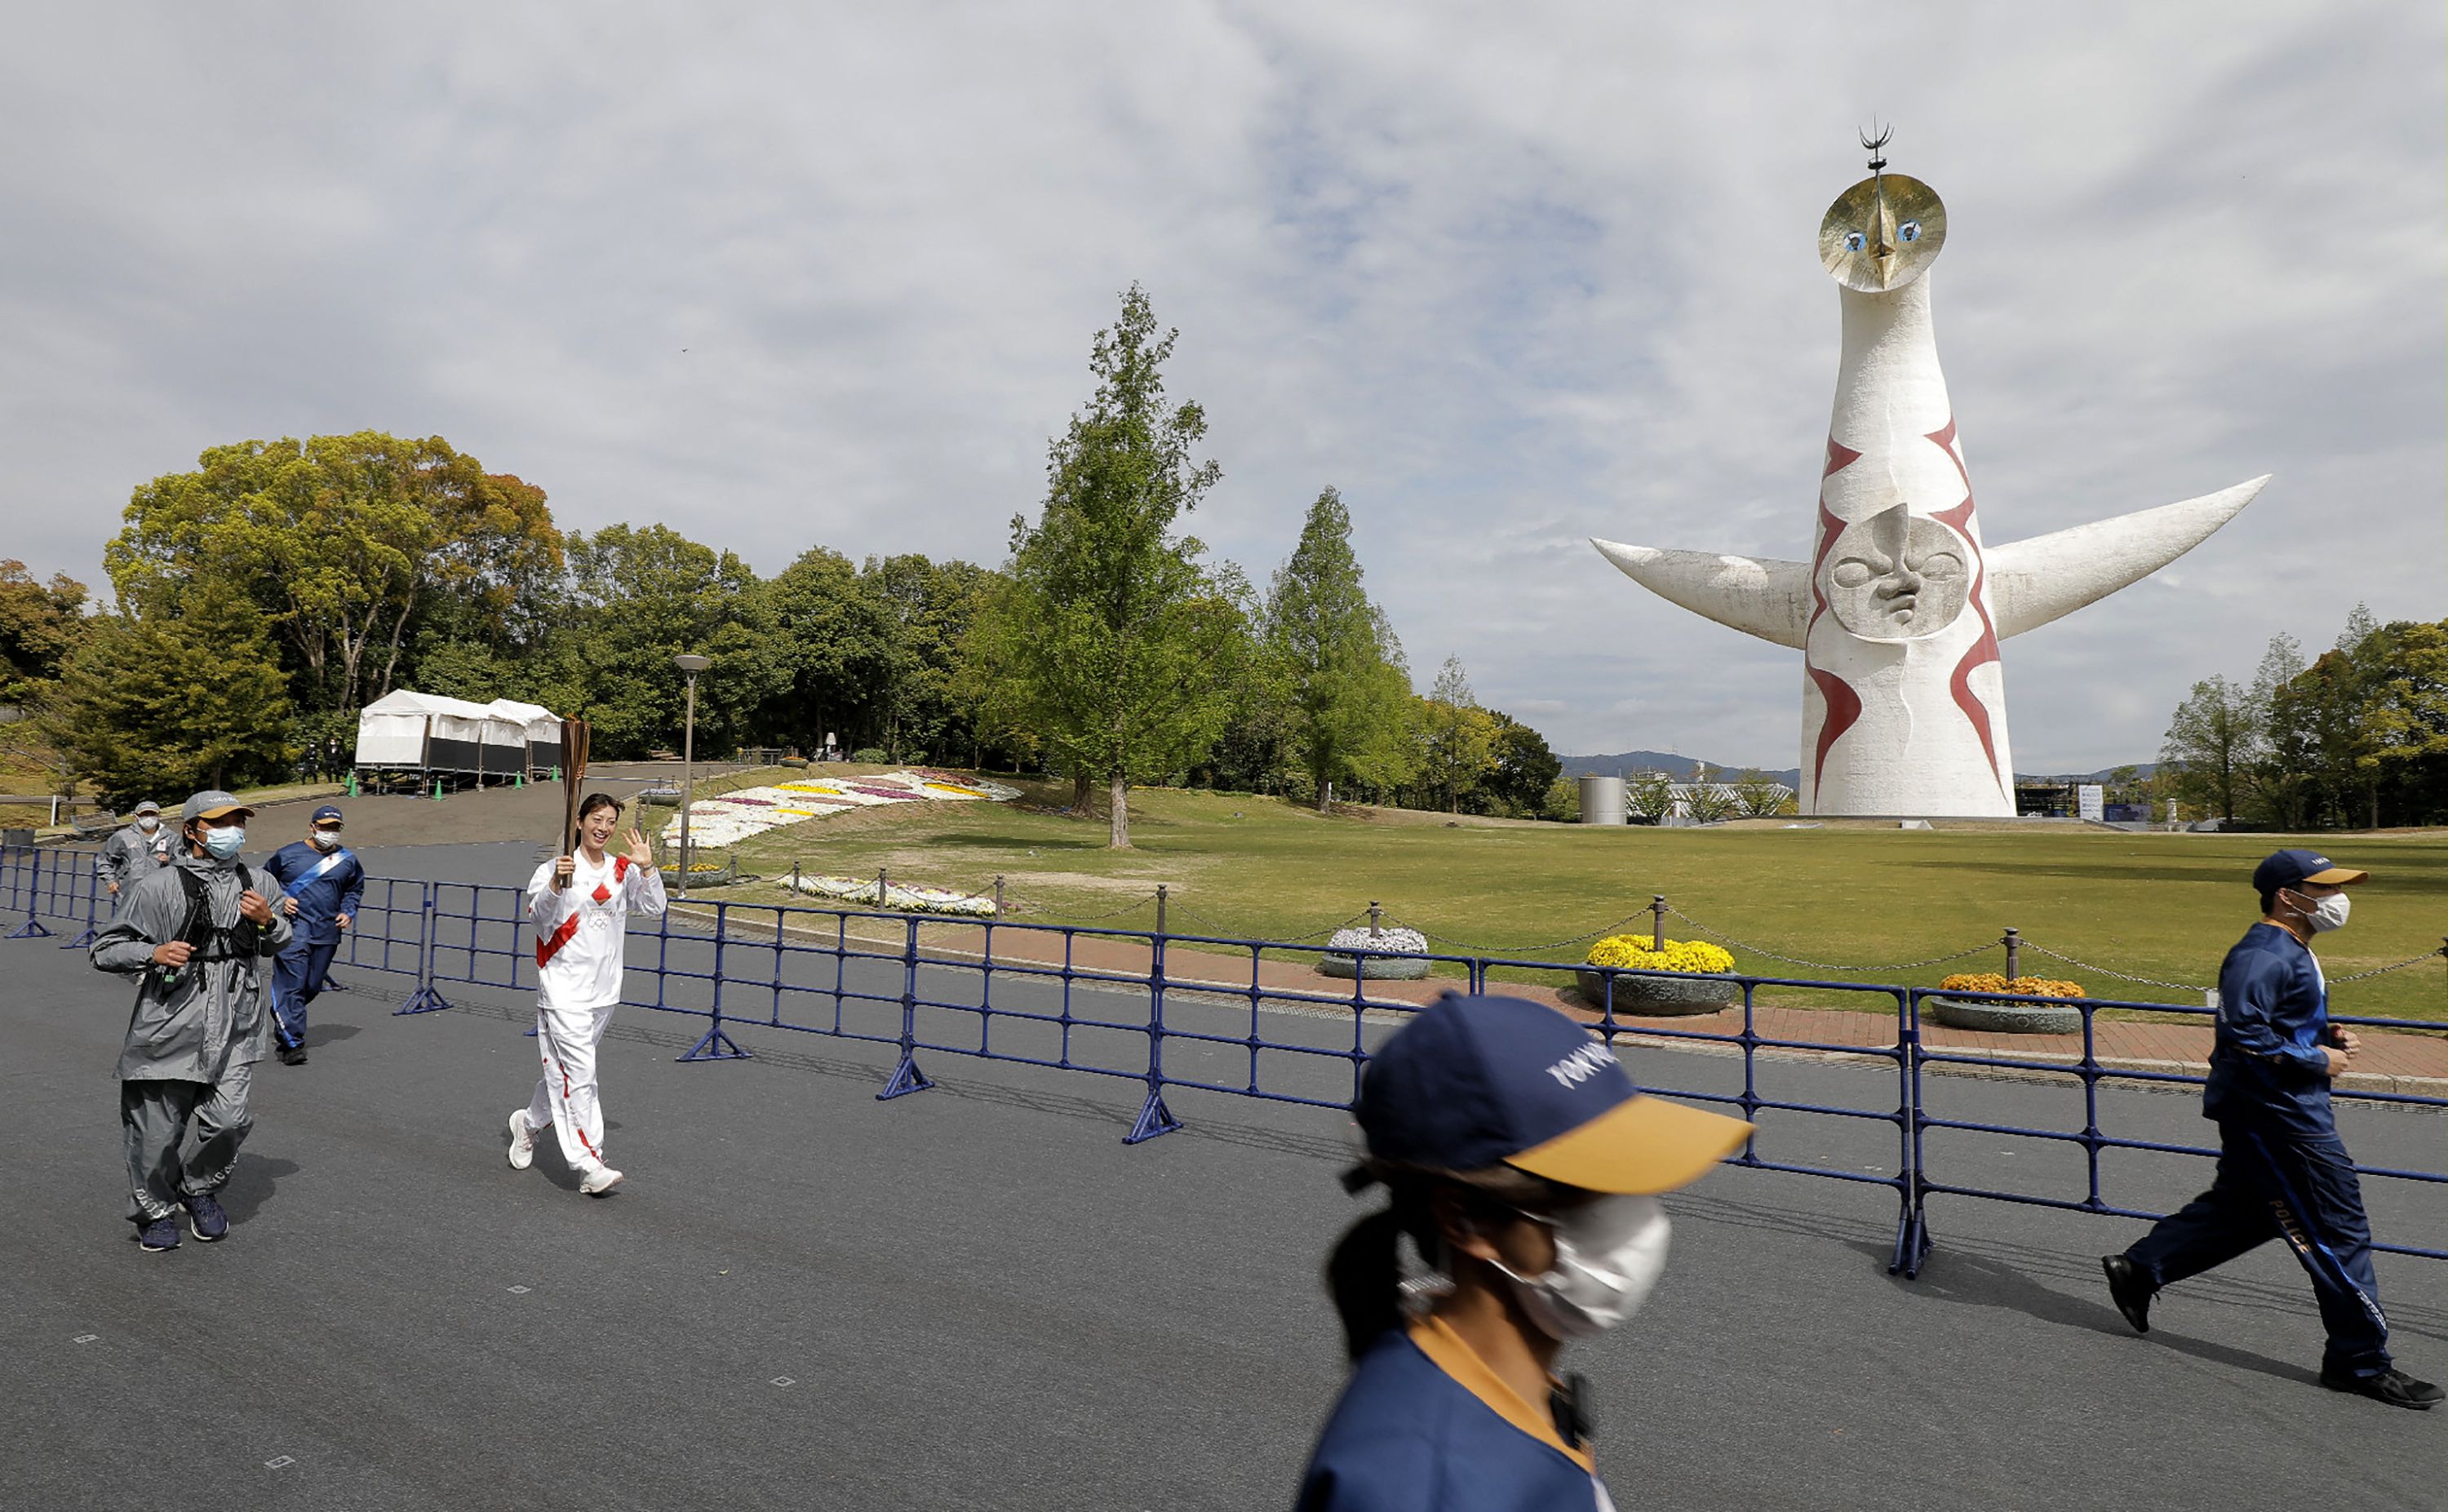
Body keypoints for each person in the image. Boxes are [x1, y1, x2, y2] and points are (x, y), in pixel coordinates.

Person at [1297, 993, 1753, 1510]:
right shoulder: (1415, 1484)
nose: (1638, 1217)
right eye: (1592, 1189)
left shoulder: (1502, 1391)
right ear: (1464, 1220)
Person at [2104, 849, 2440, 1410]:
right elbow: (2242, 1034)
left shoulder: (2291, 948)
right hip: (2281, 1117)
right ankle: (2359, 1362)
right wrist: (2317, 1059)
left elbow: (2276, 1022)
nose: (2338, 899)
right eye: (2325, 888)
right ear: (2288, 896)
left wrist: (2325, 1035)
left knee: (2250, 1208)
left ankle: (2140, 1268)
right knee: (2339, 1230)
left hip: (2271, 1110)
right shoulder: (2262, 953)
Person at [87, 791, 290, 1253]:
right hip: (170, 1021)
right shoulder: (157, 886)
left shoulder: (259, 882)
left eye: (238, 821)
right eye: (219, 822)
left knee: (230, 1121)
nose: (231, 830)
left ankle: (198, 1187)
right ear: (193, 830)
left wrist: (268, 922)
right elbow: (105, 950)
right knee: (156, 1134)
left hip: (237, 1022)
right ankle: (154, 1212)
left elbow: (279, 940)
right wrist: (153, 952)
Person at [505, 793, 664, 1196]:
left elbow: (655, 906)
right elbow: (539, 919)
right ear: (579, 822)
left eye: (610, 821)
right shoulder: (552, 870)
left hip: (603, 992)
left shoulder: (621, 870)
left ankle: (528, 1123)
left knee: (564, 1074)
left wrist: (647, 867)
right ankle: (590, 1164)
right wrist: (556, 884)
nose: (603, 828)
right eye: (597, 819)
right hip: (562, 991)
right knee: (581, 1077)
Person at [260, 804, 364, 1066]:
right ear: (313, 827)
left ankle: (283, 1010)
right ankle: (293, 1043)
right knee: (293, 984)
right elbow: (263, 882)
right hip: (293, 930)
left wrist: (348, 910)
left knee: (312, 986)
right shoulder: (287, 855)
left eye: (335, 828)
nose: (330, 832)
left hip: (327, 931)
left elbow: (354, 889)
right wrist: (281, 899)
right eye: (325, 827)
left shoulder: (348, 860)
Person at [97, 799, 171, 911]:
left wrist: (169, 860)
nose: (148, 817)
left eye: (152, 814)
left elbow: (182, 861)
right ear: (136, 817)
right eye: (144, 814)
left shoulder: (170, 837)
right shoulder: (123, 837)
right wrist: (110, 881)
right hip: (129, 893)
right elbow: (105, 860)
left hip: (160, 895)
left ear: (159, 816)